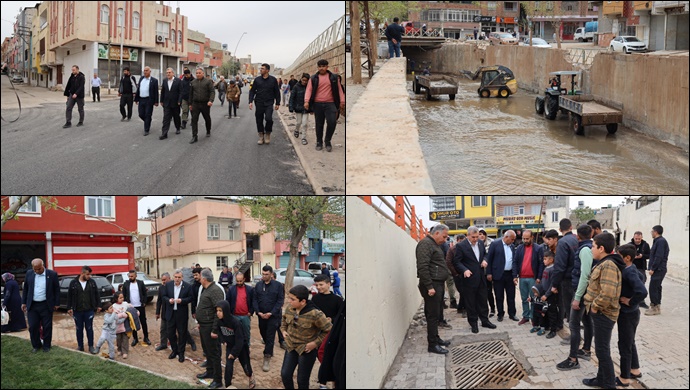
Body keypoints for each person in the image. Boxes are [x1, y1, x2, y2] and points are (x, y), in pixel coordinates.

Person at [581, 233, 625, 389]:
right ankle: (601, 379)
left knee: (602, 350)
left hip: (603, 314)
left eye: (593, 246)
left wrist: (594, 307)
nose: (591, 249)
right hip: (600, 313)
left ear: (601, 248)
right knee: (600, 349)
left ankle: (608, 384)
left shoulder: (608, 265)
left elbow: (607, 293)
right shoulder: (604, 262)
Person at [280, 285, 332, 389]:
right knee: (285, 375)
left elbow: (328, 330)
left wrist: (315, 343)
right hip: (291, 347)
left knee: (302, 380)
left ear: (303, 301)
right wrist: (283, 330)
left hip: (306, 350)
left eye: (292, 299)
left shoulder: (315, 314)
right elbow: (284, 321)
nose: (289, 301)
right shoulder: (290, 309)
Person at [557, 224, 594, 371]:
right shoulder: (591, 247)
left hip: (581, 292)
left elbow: (585, 275)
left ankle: (573, 359)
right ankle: (585, 350)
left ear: (578, 236)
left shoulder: (585, 250)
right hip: (586, 292)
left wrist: (577, 297)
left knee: (574, 324)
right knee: (587, 320)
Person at [453, 226, 496, 334]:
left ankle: (485, 321)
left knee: (482, 300)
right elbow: (457, 262)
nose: (476, 239)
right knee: (470, 302)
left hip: (481, 278)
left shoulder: (481, 243)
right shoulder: (460, 246)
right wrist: (464, 270)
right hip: (469, 279)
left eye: (477, 237)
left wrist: (485, 260)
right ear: (468, 235)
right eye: (473, 237)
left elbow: (485, 255)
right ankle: (473, 323)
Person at [416, 224, 451, 354]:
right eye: (444, 236)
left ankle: (436, 338)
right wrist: (429, 286)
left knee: (436, 314)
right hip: (432, 285)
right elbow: (422, 267)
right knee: (432, 315)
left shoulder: (433, 244)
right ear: (436, 233)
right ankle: (432, 345)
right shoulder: (425, 244)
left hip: (437, 284)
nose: (445, 239)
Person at [616, 244, 648, 386]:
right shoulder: (632, 269)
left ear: (627, 258)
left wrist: (630, 301)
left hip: (628, 313)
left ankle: (624, 378)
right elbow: (641, 279)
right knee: (630, 342)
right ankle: (634, 369)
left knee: (624, 345)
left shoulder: (628, 272)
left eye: (619, 256)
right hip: (632, 313)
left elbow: (642, 291)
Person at [212, 300, 255, 389]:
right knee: (228, 366)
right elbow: (219, 332)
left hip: (241, 347)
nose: (218, 313)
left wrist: (234, 353)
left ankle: (250, 377)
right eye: (217, 311)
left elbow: (240, 340)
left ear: (226, 311)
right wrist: (223, 340)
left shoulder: (235, 322)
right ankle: (228, 385)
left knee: (246, 365)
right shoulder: (220, 321)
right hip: (230, 346)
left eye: (220, 311)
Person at [304, 59, 345, 152]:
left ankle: (327, 141)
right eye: (320, 66)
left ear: (327, 67)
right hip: (317, 104)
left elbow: (339, 90)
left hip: (330, 104)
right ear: (317, 67)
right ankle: (319, 142)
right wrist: (306, 101)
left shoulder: (334, 77)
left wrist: (342, 101)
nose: (321, 68)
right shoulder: (313, 78)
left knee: (332, 122)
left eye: (323, 66)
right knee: (319, 124)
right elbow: (309, 90)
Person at [195, 269, 225, 389]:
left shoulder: (215, 290)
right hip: (203, 325)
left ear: (204, 279)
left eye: (200, 277)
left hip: (210, 327)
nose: (199, 279)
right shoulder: (207, 289)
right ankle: (210, 371)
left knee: (214, 353)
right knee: (207, 351)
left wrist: (214, 330)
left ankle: (218, 380)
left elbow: (218, 312)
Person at [21, 258, 59, 352]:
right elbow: (25, 289)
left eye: (38, 269)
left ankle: (46, 346)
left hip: (46, 305)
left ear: (43, 266)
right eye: (35, 269)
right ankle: (36, 345)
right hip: (32, 305)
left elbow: (57, 290)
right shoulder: (29, 273)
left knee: (47, 326)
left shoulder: (52, 274)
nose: (37, 271)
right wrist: (23, 302)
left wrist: (57, 303)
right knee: (33, 326)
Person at [253, 265, 285, 371]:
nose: (264, 276)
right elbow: (255, 300)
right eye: (263, 274)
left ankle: (267, 357)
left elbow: (280, 301)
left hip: (273, 316)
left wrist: (271, 313)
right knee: (264, 334)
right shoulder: (258, 285)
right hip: (261, 316)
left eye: (266, 274)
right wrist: (258, 312)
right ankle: (269, 350)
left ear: (271, 274)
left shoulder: (278, 286)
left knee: (270, 336)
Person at [551, 219, 578, 336]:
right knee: (577, 310)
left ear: (560, 229)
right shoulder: (577, 239)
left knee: (569, 309)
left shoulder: (562, 243)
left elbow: (560, 266)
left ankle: (574, 337)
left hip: (567, 280)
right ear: (571, 227)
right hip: (578, 278)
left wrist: (554, 284)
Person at [512, 230, 544, 326]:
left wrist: (539, 277)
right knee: (524, 298)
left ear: (532, 238)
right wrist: (515, 276)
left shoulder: (538, 248)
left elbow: (541, 264)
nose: (525, 240)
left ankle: (533, 317)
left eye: (527, 238)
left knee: (534, 299)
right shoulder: (520, 248)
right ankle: (525, 316)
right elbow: (515, 262)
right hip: (522, 278)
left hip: (533, 278)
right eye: (524, 238)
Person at [66, 265, 101, 353]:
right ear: (82, 273)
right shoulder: (73, 283)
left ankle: (91, 346)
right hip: (77, 310)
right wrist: (69, 308)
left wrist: (99, 305)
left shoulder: (92, 282)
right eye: (88, 274)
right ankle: (80, 346)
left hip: (89, 310)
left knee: (89, 328)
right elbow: (69, 296)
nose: (89, 276)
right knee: (79, 329)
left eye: (90, 275)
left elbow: (97, 294)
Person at [163, 269, 194, 363]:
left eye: (179, 277)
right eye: (175, 277)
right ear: (173, 277)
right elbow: (163, 296)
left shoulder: (187, 286)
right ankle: (174, 350)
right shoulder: (168, 285)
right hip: (171, 313)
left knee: (182, 334)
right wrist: (169, 300)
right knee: (170, 334)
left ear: (182, 278)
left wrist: (182, 301)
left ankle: (181, 353)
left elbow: (191, 298)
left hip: (181, 314)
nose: (177, 279)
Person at [486, 230, 518, 322]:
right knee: (499, 296)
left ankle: (512, 314)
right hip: (498, 274)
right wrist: (489, 273)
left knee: (511, 296)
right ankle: (500, 314)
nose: (512, 241)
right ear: (506, 237)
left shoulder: (512, 246)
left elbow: (514, 262)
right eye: (512, 239)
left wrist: (515, 275)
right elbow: (489, 259)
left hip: (510, 274)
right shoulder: (495, 244)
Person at [249, 63, 281, 145]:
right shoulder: (257, 80)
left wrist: (278, 103)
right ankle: (261, 135)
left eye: (262, 68)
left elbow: (277, 92)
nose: (261, 70)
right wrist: (250, 101)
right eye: (261, 68)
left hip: (269, 103)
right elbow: (252, 91)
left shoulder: (273, 80)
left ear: (267, 70)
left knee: (268, 118)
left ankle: (267, 133)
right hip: (259, 102)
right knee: (259, 119)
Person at [529, 250, 558, 337]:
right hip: (543, 294)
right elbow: (543, 281)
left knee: (551, 313)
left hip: (550, 295)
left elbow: (552, 284)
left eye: (545, 259)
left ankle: (553, 330)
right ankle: (544, 326)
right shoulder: (546, 268)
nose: (543, 261)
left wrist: (547, 295)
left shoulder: (553, 270)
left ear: (551, 259)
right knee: (544, 311)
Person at [122, 269, 151, 347]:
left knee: (143, 322)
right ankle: (135, 338)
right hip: (131, 307)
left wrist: (144, 302)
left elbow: (145, 293)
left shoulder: (140, 283)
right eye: (129, 276)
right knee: (133, 323)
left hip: (140, 306)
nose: (130, 277)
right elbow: (123, 294)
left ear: (136, 276)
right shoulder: (126, 284)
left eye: (132, 276)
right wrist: (126, 304)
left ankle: (146, 337)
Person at [646, 225, 669, 316]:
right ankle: (657, 306)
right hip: (659, 268)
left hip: (659, 269)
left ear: (656, 232)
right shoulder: (658, 241)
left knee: (653, 287)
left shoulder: (660, 241)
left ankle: (654, 307)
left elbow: (658, 256)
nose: (651, 233)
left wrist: (653, 268)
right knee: (657, 287)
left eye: (652, 231)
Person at [225, 272, 254, 345]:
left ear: (244, 279)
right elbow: (228, 302)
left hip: (245, 316)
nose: (239, 282)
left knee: (246, 334)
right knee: (235, 334)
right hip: (234, 316)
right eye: (237, 281)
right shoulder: (231, 289)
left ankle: (246, 348)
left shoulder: (249, 289)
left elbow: (253, 301)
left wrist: (251, 312)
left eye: (240, 281)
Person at [188, 67, 215, 144]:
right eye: (197, 73)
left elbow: (212, 92)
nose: (198, 74)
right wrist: (190, 104)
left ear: (203, 73)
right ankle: (194, 136)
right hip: (195, 104)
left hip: (205, 104)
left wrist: (211, 100)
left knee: (207, 118)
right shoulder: (193, 82)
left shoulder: (208, 82)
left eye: (199, 73)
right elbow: (190, 94)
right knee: (194, 120)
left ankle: (208, 130)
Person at [134, 66, 160, 136]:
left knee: (148, 114)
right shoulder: (141, 79)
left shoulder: (154, 80)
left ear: (150, 72)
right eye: (144, 70)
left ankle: (146, 129)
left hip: (149, 100)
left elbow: (156, 92)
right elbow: (138, 89)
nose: (145, 72)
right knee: (141, 114)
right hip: (141, 99)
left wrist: (156, 101)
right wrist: (136, 99)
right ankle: (147, 121)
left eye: (146, 70)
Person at [158, 68, 183, 139]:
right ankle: (164, 133)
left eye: (169, 72)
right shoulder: (165, 81)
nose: (168, 74)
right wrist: (161, 100)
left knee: (176, 117)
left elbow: (181, 92)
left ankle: (178, 127)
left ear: (173, 73)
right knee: (166, 118)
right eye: (167, 73)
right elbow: (163, 91)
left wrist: (179, 100)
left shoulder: (178, 81)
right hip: (166, 103)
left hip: (175, 103)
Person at [445, 234, 466, 317]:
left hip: (465, 273)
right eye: (461, 240)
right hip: (457, 275)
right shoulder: (452, 249)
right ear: (457, 240)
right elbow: (448, 262)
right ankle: (464, 309)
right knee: (463, 292)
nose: (462, 242)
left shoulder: (466, 249)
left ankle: (461, 307)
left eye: (464, 240)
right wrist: (455, 273)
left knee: (464, 292)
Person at [478, 229, 496, 317]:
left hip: (488, 272)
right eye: (479, 234)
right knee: (480, 293)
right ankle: (483, 310)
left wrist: (490, 272)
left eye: (483, 234)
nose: (481, 236)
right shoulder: (474, 244)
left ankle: (492, 309)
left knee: (489, 292)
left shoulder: (491, 244)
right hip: (478, 273)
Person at [289, 73, 311, 145]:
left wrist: (312, 109)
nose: (304, 82)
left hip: (306, 108)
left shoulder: (309, 87)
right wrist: (291, 107)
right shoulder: (296, 87)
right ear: (301, 79)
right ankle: (296, 130)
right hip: (298, 107)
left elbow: (312, 98)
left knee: (304, 123)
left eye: (306, 80)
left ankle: (303, 138)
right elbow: (292, 97)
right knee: (299, 122)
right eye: (303, 80)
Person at [630, 231, 650, 308]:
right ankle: (632, 300)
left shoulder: (645, 245)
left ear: (641, 238)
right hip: (632, 267)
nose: (637, 240)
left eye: (639, 239)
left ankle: (641, 301)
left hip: (641, 267)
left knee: (642, 283)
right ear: (633, 237)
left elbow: (649, 255)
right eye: (636, 238)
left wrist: (642, 256)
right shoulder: (630, 245)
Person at [111, 292, 131, 359]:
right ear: (116, 298)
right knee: (118, 338)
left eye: (123, 297)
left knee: (125, 337)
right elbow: (114, 316)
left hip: (125, 325)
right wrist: (122, 315)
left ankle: (125, 351)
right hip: (118, 325)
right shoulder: (113, 306)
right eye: (120, 298)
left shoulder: (125, 304)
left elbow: (131, 309)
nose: (122, 299)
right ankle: (119, 349)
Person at [155, 272, 171, 351]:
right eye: (162, 280)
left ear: (169, 279)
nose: (164, 281)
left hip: (172, 313)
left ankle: (189, 342)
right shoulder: (161, 288)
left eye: (165, 280)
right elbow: (159, 301)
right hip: (164, 313)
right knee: (163, 329)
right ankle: (163, 344)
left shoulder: (174, 287)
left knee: (174, 329)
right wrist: (157, 312)